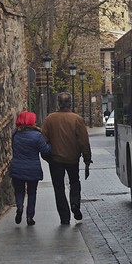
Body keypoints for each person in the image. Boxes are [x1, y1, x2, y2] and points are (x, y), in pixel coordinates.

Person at [41, 91, 92, 225]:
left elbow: (43, 140)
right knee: (74, 182)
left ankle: (64, 217)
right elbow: (83, 141)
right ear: (70, 103)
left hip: (55, 159)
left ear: (58, 103)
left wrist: (47, 156)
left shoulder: (49, 119)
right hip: (72, 158)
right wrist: (87, 158)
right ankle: (75, 204)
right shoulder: (77, 119)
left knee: (59, 187)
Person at [9, 111, 52, 226]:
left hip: (17, 167)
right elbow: (45, 150)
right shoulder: (37, 136)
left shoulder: (15, 135)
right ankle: (29, 217)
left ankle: (19, 207)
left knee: (19, 191)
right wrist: (51, 145)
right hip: (33, 168)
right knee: (32, 193)